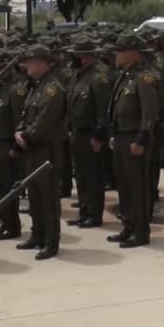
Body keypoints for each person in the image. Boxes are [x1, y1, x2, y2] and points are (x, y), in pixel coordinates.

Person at [107, 33, 160, 248]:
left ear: (133, 53)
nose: (116, 54)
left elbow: (150, 113)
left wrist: (141, 139)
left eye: (120, 50)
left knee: (137, 187)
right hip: (121, 137)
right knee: (124, 187)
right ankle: (128, 226)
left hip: (134, 139)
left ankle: (140, 231)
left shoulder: (144, 77)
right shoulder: (126, 76)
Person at [13, 44, 66, 260]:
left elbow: (45, 119)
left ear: (43, 63)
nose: (26, 65)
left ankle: (51, 241)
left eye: (31, 61)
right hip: (33, 149)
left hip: (46, 149)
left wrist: (26, 135)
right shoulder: (36, 86)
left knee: (48, 197)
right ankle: (37, 234)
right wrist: (20, 131)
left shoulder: (52, 88)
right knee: (34, 194)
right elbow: (26, 114)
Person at [66, 38, 112, 228]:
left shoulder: (99, 77)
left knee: (93, 177)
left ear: (85, 57)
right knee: (82, 176)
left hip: (91, 134)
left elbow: (103, 109)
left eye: (76, 55)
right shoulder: (78, 76)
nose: (73, 59)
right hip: (77, 133)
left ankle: (94, 214)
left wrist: (99, 135)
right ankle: (84, 211)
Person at [0, 49, 26, 240]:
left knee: (9, 188)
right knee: (1, 188)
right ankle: (4, 222)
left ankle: (12, 225)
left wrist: (16, 148)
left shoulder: (16, 89)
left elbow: (20, 120)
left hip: (8, 144)